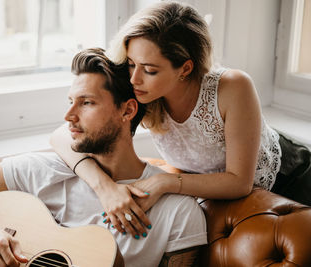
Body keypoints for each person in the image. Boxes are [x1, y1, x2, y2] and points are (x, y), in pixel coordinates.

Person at [0, 48, 207, 267]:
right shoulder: (44, 170)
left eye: (87, 103)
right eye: (71, 102)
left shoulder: (178, 212)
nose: (69, 116)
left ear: (127, 111)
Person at [50, 1, 311, 234]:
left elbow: (240, 182)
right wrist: (104, 188)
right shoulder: (139, 89)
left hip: (294, 178)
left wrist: (164, 181)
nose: (134, 78)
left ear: (185, 68)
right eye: (130, 63)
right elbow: (61, 136)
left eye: (150, 69)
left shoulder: (232, 86)